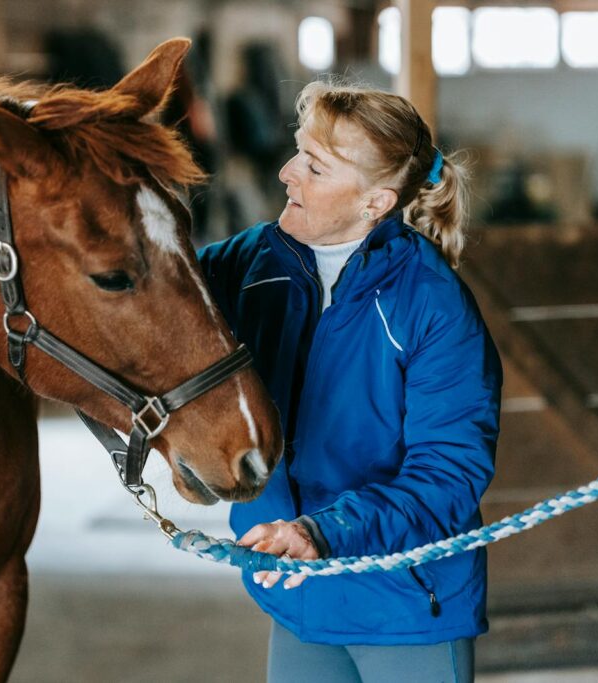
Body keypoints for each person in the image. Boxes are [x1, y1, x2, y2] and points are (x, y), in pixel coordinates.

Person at [197, 79, 502, 682]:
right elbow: (154, 307)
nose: (287, 172)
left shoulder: (430, 303)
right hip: (299, 603)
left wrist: (322, 531)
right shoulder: (254, 263)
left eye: (314, 165)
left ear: (376, 202)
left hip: (406, 608)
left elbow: (449, 473)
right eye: (297, 151)